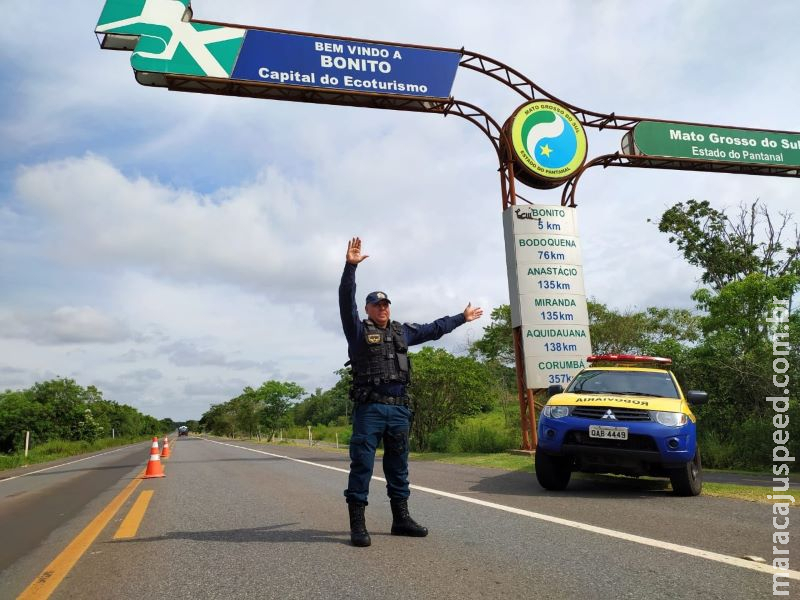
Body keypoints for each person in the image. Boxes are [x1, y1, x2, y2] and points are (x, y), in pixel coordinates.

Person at [339, 237, 483, 547]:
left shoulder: (401, 331)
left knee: (399, 466)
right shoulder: (357, 330)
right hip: (371, 409)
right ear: (367, 308)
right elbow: (344, 299)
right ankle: (358, 525)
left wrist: (462, 317)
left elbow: (433, 329)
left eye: (386, 303)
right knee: (362, 464)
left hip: (400, 410)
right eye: (377, 304)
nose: (382, 308)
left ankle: (400, 519)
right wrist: (350, 268)